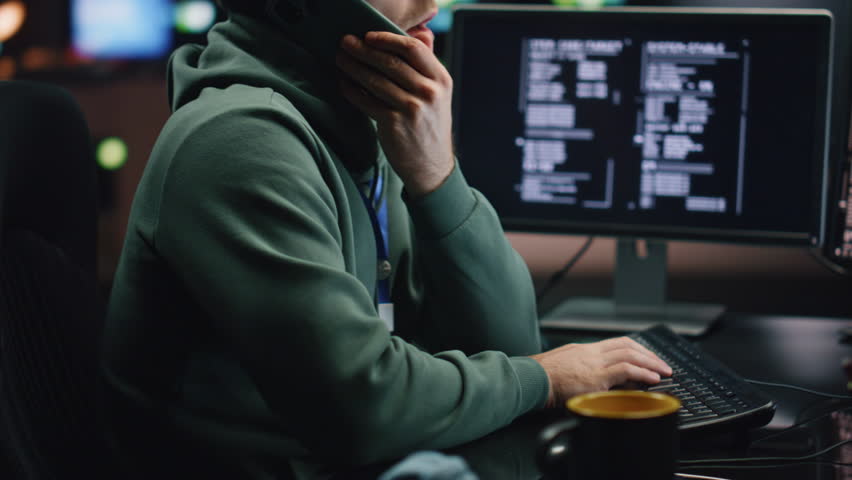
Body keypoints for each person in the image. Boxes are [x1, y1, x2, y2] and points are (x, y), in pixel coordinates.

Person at [101, 0, 672, 478]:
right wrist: (545, 379)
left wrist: (436, 176)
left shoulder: (366, 125)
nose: (433, 4)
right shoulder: (239, 143)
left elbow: (509, 342)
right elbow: (364, 410)